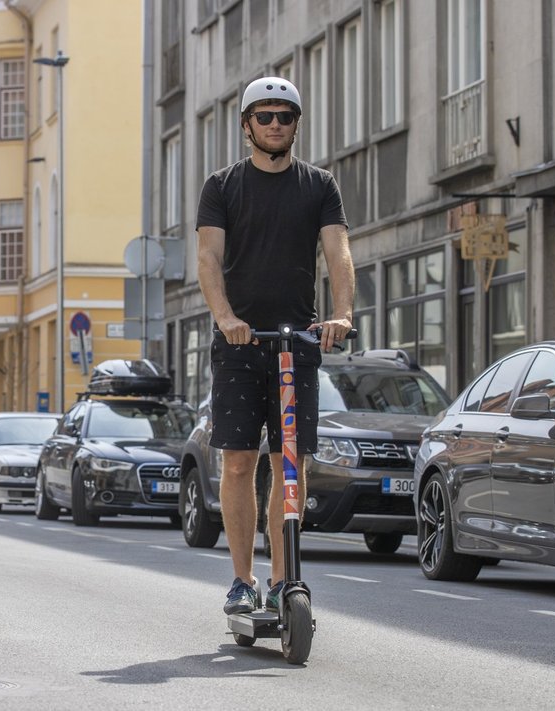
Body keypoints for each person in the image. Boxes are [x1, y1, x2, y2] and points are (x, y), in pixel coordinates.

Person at [194, 76, 355, 615]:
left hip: (297, 341)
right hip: (240, 343)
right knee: (239, 462)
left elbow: (338, 254)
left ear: (296, 125)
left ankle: (285, 580)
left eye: (285, 116)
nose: (275, 125)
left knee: (292, 463)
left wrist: (341, 314)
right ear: (247, 126)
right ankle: (242, 581)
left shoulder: (319, 186)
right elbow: (209, 259)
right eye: (264, 116)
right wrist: (226, 317)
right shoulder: (222, 187)